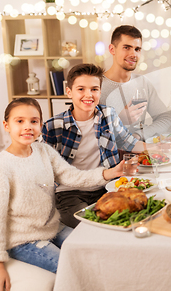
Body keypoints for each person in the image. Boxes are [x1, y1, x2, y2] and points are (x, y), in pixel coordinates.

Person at [0, 98, 124, 291]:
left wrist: (108, 173)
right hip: (24, 240)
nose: (27, 127)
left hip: (53, 228)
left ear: (41, 125)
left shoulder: (43, 151)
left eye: (33, 121)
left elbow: (70, 176)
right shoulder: (1, 167)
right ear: (6, 125)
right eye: (19, 121)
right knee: (74, 269)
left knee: (92, 249)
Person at [42, 64, 149, 228]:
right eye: (81, 89)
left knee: (134, 216)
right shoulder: (53, 126)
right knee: (91, 225)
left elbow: (128, 141)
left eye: (94, 89)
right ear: (69, 92)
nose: (88, 95)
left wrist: (161, 148)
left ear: (100, 91)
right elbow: (45, 170)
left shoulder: (108, 114)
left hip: (107, 188)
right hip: (70, 193)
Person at [100, 25, 171, 140]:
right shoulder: (96, 86)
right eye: (126, 47)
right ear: (112, 49)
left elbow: (166, 119)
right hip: (109, 155)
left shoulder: (143, 83)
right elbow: (86, 131)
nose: (133, 54)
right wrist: (119, 120)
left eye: (137, 49)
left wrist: (139, 135)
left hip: (138, 153)